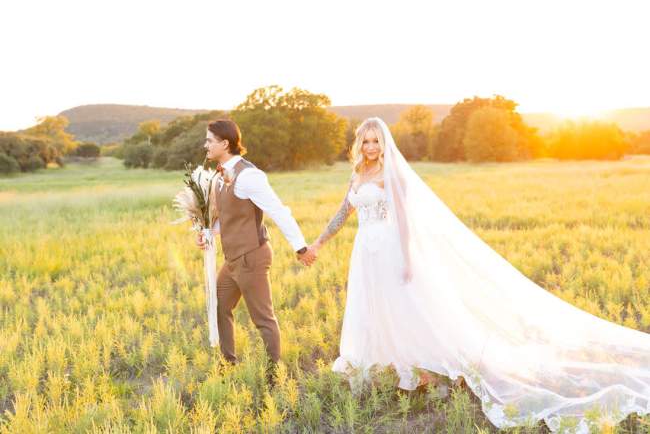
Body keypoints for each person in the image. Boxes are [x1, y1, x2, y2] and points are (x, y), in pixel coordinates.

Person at [309, 116, 650, 433]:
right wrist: (318, 243)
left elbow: (404, 221)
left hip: (389, 249)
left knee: (407, 310)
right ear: (360, 144)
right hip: (364, 252)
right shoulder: (356, 174)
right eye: (366, 141)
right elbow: (343, 212)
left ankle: (427, 370)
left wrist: (408, 260)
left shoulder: (392, 176)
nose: (371, 147)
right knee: (374, 308)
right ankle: (387, 365)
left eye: (376, 141)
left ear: (384, 143)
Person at [196, 119, 317, 377]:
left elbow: (278, 210)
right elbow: (230, 217)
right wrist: (208, 233)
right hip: (232, 260)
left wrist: (301, 247)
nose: (204, 144)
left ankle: (274, 375)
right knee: (218, 306)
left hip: (252, 256)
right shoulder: (219, 175)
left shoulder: (249, 175)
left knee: (263, 319)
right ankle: (227, 365)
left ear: (224, 143)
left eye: (209, 140)